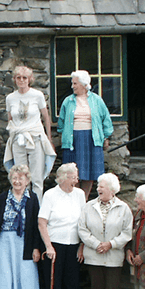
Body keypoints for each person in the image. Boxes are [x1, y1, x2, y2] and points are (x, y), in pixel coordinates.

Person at [78, 173, 133, 289]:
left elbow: (127, 232)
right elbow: (82, 229)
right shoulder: (89, 206)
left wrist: (111, 244)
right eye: (98, 186)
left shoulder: (123, 208)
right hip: (94, 256)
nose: (98, 188)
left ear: (112, 189)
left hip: (114, 257)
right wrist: (96, 244)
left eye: (101, 186)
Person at [38, 163, 86, 289]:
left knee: (71, 285)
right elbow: (42, 222)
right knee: (54, 286)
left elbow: (83, 222)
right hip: (55, 246)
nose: (77, 180)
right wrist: (48, 246)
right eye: (74, 177)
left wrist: (82, 246)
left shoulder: (80, 194)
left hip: (74, 245)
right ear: (64, 177)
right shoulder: (50, 195)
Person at [4, 65, 56, 202]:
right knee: (20, 175)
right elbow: (10, 119)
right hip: (18, 139)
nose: (22, 80)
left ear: (30, 79)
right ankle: (23, 207)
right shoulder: (10, 98)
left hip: (35, 137)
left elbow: (45, 117)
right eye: (18, 78)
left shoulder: (37, 95)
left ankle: (37, 209)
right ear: (14, 79)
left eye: (24, 77)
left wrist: (49, 138)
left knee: (36, 177)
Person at [58, 70, 113, 200]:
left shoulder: (96, 100)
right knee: (72, 171)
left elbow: (106, 119)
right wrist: (64, 135)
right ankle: (74, 198)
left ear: (84, 84)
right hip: (73, 140)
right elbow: (61, 121)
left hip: (91, 139)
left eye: (75, 83)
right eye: (72, 83)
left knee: (90, 171)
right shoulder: (68, 101)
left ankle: (84, 199)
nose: (72, 86)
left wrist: (106, 137)